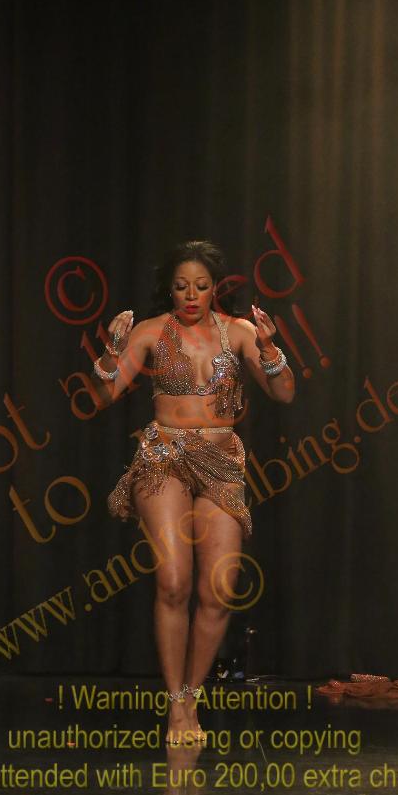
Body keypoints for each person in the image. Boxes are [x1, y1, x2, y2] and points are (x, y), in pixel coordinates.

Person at [90, 240, 295, 744]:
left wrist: (270, 349)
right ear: (170, 289)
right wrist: (111, 353)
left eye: (200, 286)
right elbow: (102, 397)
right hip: (164, 457)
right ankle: (175, 707)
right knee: (174, 583)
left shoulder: (239, 332)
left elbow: (285, 392)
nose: (190, 295)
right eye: (181, 286)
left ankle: (189, 695)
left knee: (218, 590)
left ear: (214, 288)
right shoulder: (150, 331)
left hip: (221, 464)